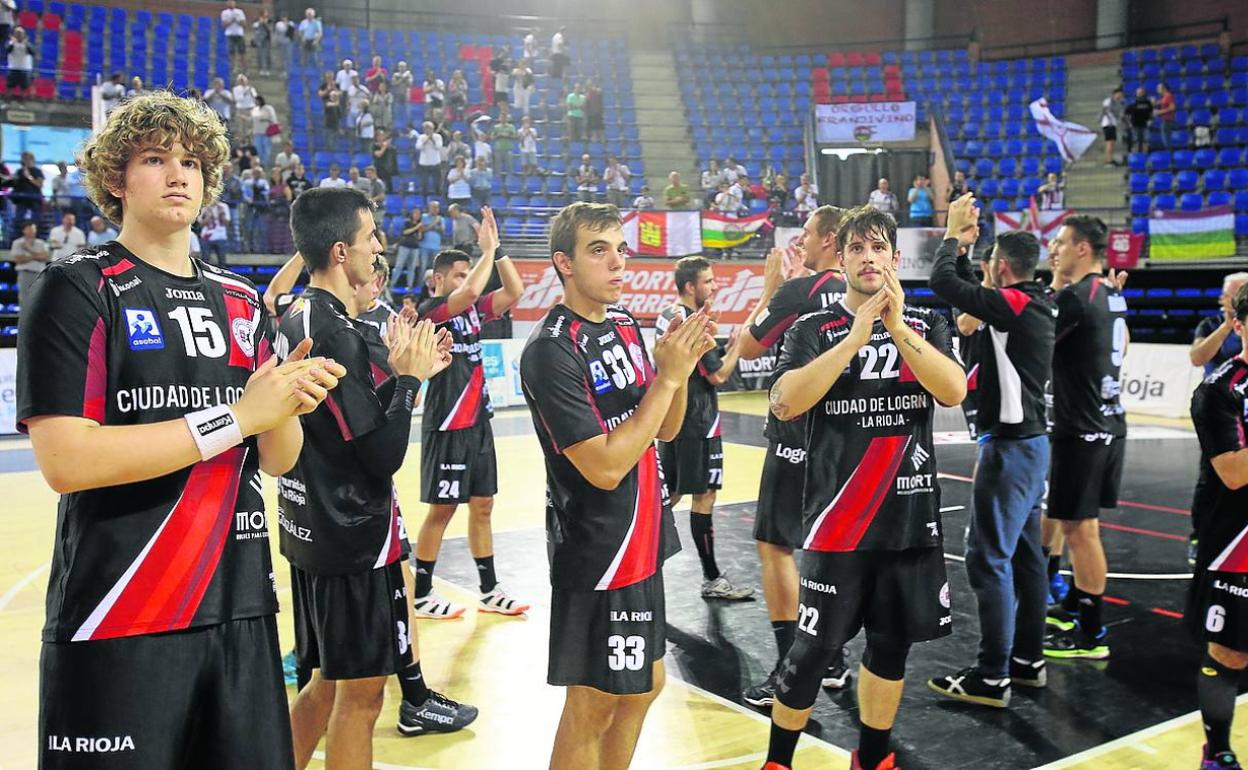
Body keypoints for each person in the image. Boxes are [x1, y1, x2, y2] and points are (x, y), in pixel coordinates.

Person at [18, 89, 342, 770]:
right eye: (156, 158)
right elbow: (67, 460)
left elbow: (278, 461)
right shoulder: (79, 286)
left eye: (193, 163)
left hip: (240, 606)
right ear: (115, 178)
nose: (178, 176)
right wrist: (241, 415)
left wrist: (286, 404)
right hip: (121, 612)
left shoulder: (240, 299)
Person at [761, 206, 965, 770]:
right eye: (857, 248)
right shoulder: (812, 329)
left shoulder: (925, 325)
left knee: (891, 649)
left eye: (879, 248)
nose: (869, 258)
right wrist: (853, 341)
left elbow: (952, 391)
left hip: (908, 523)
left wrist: (895, 329)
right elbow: (785, 401)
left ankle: (873, 759)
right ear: (843, 257)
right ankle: (779, 761)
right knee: (811, 654)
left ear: (895, 259)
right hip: (837, 522)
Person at [280, 188, 475, 769]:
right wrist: (411, 382)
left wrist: (395, 375)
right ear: (342, 252)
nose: (380, 248)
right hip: (353, 536)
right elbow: (380, 455)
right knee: (362, 696)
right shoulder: (334, 329)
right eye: (371, 238)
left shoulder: (301, 314)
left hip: (311, 526)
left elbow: (346, 424)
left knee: (326, 685)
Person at [520, 201, 714, 769]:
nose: (617, 262)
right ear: (565, 263)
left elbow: (667, 428)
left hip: (643, 536)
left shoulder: (626, 325)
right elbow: (603, 466)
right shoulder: (551, 349)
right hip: (599, 547)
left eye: (621, 249)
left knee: (644, 688)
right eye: (598, 250)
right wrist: (670, 377)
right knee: (594, 702)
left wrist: (675, 371)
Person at [926, 195, 1055, 708]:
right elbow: (966, 297)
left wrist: (954, 235)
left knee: (988, 559)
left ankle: (992, 674)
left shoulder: (1015, 303)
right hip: (1032, 446)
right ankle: (1026, 661)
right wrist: (969, 250)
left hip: (1010, 450)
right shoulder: (1035, 300)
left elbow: (943, 285)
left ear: (1001, 268)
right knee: (1025, 559)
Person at [736, 207, 853, 708]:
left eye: (805, 234)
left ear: (829, 238)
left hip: (797, 435)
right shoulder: (860, 291)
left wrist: (769, 288)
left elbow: (744, 347)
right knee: (828, 547)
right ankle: (834, 661)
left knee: (775, 545)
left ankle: (791, 670)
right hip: (849, 439)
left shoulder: (798, 292)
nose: (799, 241)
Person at [413, 208, 530, 618]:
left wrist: (497, 251)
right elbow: (463, 296)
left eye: (469, 274)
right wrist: (483, 256)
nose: (468, 282)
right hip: (447, 423)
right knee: (441, 511)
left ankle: (489, 589)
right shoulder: (433, 309)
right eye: (459, 275)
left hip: (479, 422)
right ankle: (422, 592)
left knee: (483, 505)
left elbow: (514, 291)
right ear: (438, 280)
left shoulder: (477, 313)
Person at [1043, 215, 1128, 660]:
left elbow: (1039, 338)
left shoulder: (1077, 297)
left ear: (1081, 249)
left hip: (1084, 427)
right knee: (1079, 525)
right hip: (1109, 420)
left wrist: (1054, 287)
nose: (1053, 248)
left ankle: (1091, 634)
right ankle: (1073, 606)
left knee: (1080, 531)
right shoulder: (1111, 293)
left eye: (1060, 242)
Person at [656, 257, 753, 601]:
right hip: (696, 420)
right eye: (708, 282)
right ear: (689, 287)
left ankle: (642, 567)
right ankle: (712, 578)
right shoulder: (689, 320)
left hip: (674, 418)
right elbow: (718, 375)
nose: (713, 287)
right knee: (703, 496)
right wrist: (739, 345)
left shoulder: (669, 315)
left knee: (671, 495)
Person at [1187, 282, 1248, 770]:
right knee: (1229, 652)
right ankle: (1218, 750)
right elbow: (1232, 471)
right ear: (1240, 326)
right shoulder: (1218, 390)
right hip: (1236, 539)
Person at [1192, 274, 1248, 377]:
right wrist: (1226, 326)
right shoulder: (1210, 324)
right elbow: (1197, 359)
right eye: (1226, 295)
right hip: (1218, 389)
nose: (1229, 300)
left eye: (1235, 295)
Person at [11, 220, 48, 320]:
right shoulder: (17, 243)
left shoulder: (41, 243)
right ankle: (24, 321)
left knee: (39, 297)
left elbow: (45, 256)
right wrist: (36, 256)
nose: (32, 231)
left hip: (39, 273)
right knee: (24, 299)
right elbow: (17, 259)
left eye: (34, 229)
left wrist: (28, 251)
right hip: (24, 274)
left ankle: (38, 320)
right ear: (24, 230)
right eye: (30, 229)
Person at [395, 208, 424, 289]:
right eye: (415, 213)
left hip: (415, 248)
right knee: (399, 266)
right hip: (404, 246)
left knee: (412, 268)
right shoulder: (407, 222)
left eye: (419, 214)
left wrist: (420, 231)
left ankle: (409, 286)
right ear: (412, 214)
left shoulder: (420, 224)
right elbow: (404, 232)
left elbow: (419, 238)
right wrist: (416, 227)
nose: (417, 215)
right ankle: (392, 284)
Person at [198, 198, 231, 265]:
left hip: (220, 237)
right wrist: (208, 216)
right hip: (206, 237)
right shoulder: (205, 207)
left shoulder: (223, 206)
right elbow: (200, 223)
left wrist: (221, 213)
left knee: (222, 260)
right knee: (205, 259)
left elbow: (226, 223)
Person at [414, 121, 444, 197]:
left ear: (433, 129)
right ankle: (424, 200)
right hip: (424, 164)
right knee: (424, 184)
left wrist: (432, 139)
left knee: (437, 184)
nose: (428, 130)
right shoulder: (421, 137)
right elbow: (418, 147)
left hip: (435, 163)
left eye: (430, 129)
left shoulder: (437, 137)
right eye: (426, 129)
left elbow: (438, 147)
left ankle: (438, 199)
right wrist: (427, 139)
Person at [5, 24, 33, 97]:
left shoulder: (28, 44)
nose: (19, 35)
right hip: (13, 68)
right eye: (17, 33)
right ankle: (7, 103)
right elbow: (7, 51)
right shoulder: (10, 43)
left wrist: (26, 43)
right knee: (10, 87)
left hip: (25, 69)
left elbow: (32, 52)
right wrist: (13, 42)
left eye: (20, 33)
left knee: (23, 88)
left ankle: (22, 105)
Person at [1100, 87, 1126, 166]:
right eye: (1119, 94)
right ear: (1115, 94)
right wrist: (1110, 121)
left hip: (1113, 124)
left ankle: (1110, 158)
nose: (1120, 96)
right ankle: (1108, 160)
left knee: (1112, 142)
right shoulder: (1108, 101)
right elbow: (1106, 111)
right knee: (1110, 142)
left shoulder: (1119, 102)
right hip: (1108, 124)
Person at [1124, 87, 1154, 155]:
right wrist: (1129, 123)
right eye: (1139, 92)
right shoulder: (1133, 103)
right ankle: (1136, 156)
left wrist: (1150, 120)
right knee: (1135, 141)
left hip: (1145, 125)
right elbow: (1126, 114)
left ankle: (1144, 155)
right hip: (1135, 125)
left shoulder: (1148, 103)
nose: (1140, 93)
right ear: (1136, 93)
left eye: (1142, 92)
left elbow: (1151, 113)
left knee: (1146, 141)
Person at [220, 0, 247, 72]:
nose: (231, 3)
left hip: (239, 34)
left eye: (232, 2)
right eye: (229, 2)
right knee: (231, 52)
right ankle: (234, 67)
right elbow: (224, 24)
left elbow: (244, 24)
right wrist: (232, 21)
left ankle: (244, 68)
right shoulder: (224, 12)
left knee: (242, 52)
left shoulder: (240, 12)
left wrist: (238, 20)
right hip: (229, 34)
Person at [252, 95, 278, 166]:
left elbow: (273, 119)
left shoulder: (268, 108)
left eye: (257, 101)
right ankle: (258, 164)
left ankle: (264, 164)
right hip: (257, 132)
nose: (256, 102)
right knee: (258, 150)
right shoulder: (255, 109)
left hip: (266, 133)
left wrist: (265, 119)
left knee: (266, 151)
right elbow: (253, 120)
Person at [1155, 82, 1176, 150]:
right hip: (1165, 120)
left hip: (1168, 121)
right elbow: (1162, 103)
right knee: (1166, 140)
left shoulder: (1168, 95)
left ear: (1164, 88)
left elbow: (1172, 107)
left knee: (1166, 140)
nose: (1157, 90)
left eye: (1158, 88)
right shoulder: (1164, 97)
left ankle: (1170, 155)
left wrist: (1159, 112)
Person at [252, 9, 273, 75]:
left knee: (267, 54)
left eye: (267, 13)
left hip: (267, 39)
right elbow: (254, 27)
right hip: (259, 40)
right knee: (260, 54)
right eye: (265, 13)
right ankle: (261, 69)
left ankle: (267, 69)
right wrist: (260, 22)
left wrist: (265, 24)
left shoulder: (269, 21)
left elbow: (270, 29)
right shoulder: (257, 20)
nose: (266, 14)